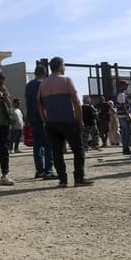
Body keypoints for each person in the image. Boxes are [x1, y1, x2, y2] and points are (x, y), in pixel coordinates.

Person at [38, 57, 93, 187]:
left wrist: (45, 120)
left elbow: (39, 105)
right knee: (78, 150)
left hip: (51, 122)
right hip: (68, 120)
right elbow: (76, 101)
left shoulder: (43, 84)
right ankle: (79, 178)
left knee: (57, 152)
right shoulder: (66, 80)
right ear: (60, 66)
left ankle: (62, 180)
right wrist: (80, 120)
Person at [25, 66, 55, 179]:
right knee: (48, 145)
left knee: (37, 145)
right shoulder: (45, 84)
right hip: (44, 117)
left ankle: (39, 170)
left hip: (33, 118)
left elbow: (27, 103)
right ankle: (48, 170)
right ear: (44, 73)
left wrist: (28, 118)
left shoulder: (29, 85)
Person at [116, 80, 131, 155]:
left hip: (122, 116)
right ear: (121, 86)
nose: (127, 86)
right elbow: (123, 107)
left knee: (124, 132)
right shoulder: (121, 95)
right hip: (124, 116)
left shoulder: (122, 94)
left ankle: (125, 148)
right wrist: (128, 116)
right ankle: (126, 148)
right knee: (128, 132)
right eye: (125, 85)